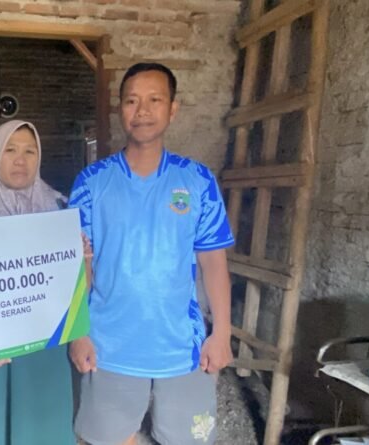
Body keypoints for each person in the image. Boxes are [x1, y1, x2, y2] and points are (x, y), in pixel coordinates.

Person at [68, 62, 235, 445]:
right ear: (120, 109)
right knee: (106, 440)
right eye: (131, 101)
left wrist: (221, 334)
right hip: (109, 345)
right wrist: (79, 333)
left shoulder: (197, 180)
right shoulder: (92, 182)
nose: (142, 110)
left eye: (154, 100)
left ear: (173, 109)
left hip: (182, 347)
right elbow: (79, 264)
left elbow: (213, 261)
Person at [0, 120, 76, 445]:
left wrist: (82, 255)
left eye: (29, 151)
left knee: (46, 423)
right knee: (0, 423)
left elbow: (71, 284)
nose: (20, 160)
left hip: (47, 341)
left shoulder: (57, 208)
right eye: (10, 150)